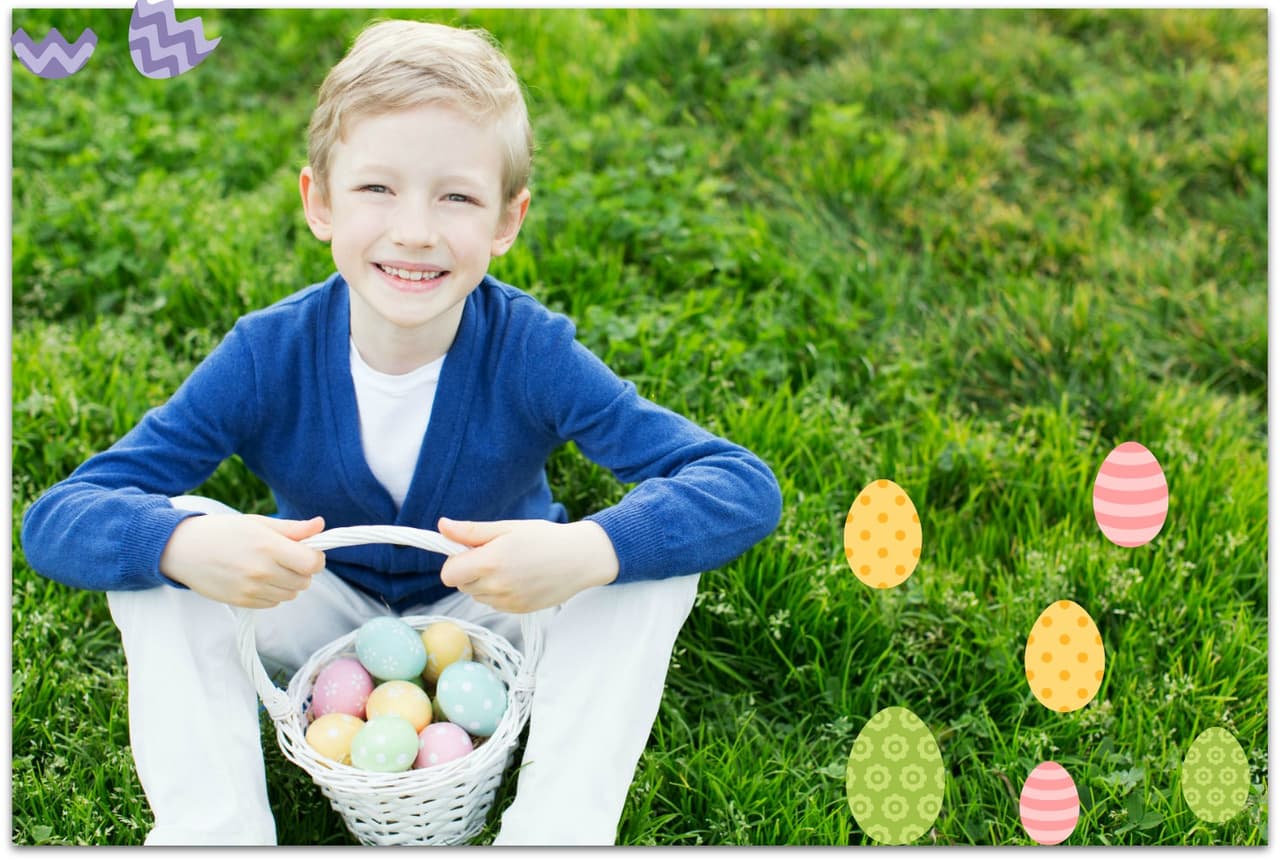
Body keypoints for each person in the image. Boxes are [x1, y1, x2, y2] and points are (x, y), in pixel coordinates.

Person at [20, 18, 782, 846]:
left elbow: (738, 484)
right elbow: (61, 514)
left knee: (644, 566)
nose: (414, 229)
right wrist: (183, 547)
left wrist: (583, 551)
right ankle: (216, 834)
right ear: (319, 202)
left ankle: (554, 834)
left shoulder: (530, 351)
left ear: (506, 220)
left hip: (496, 600)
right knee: (166, 535)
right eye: (377, 189)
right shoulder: (267, 355)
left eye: (455, 195)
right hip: (319, 600)